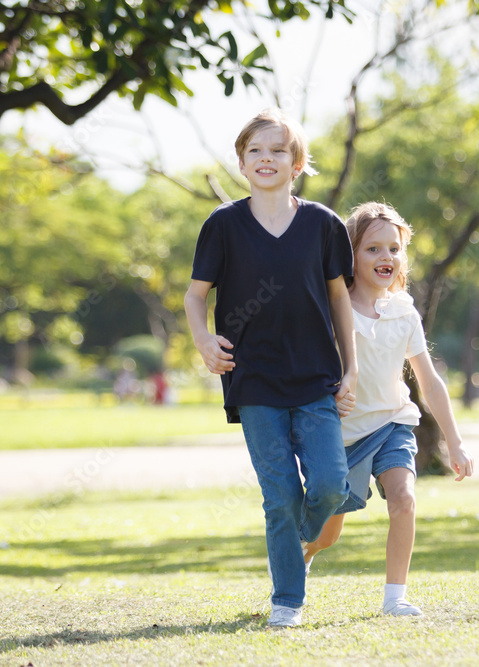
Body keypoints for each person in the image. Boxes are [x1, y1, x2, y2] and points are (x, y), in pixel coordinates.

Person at [184, 109, 357, 628]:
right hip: (252, 377)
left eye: (278, 150)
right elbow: (195, 298)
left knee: (330, 484)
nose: (266, 159)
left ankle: (293, 538)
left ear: (297, 162)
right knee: (279, 494)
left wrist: (350, 369)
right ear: (241, 162)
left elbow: (340, 300)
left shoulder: (324, 225)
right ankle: (288, 602)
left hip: (315, 376)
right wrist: (202, 339)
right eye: (255, 151)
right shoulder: (223, 225)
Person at [302, 202, 474, 617]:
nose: (386, 258)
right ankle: (300, 557)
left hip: (394, 423)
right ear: (351, 254)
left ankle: (395, 598)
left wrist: (456, 442)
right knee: (327, 535)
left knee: (404, 499)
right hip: (340, 436)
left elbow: (429, 382)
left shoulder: (404, 311)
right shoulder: (330, 307)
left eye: (394, 249)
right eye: (373, 249)